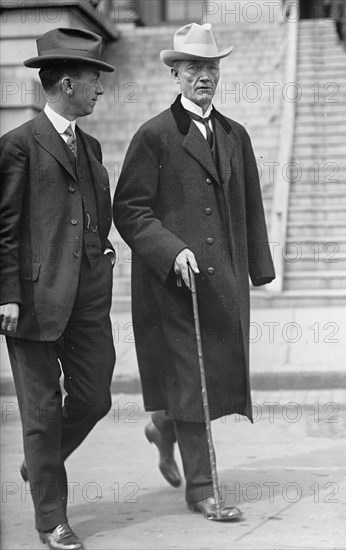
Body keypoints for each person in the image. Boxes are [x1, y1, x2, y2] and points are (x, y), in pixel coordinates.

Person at [113, 23, 275, 521]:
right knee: (192, 380)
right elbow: (130, 210)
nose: (204, 76)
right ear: (175, 74)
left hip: (220, 282)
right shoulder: (154, 136)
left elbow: (251, 207)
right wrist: (170, 249)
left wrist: (259, 271)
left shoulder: (235, 134)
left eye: (211, 67)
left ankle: (163, 427)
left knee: (209, 381)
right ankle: (202, 490)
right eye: (194, 68)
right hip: (172, 284)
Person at [0, 28, 116, 550]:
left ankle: (38, 465)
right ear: (67, 84)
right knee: (42, 415)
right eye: (95, 80)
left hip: (87, 302)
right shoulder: (17, 146)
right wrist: (6, 292)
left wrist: (103, 252)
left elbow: (93, 213)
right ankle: (52, 519)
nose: (100, 90)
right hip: (31, 303)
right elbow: (3, 228)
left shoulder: (89, 145)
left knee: (94, 399)